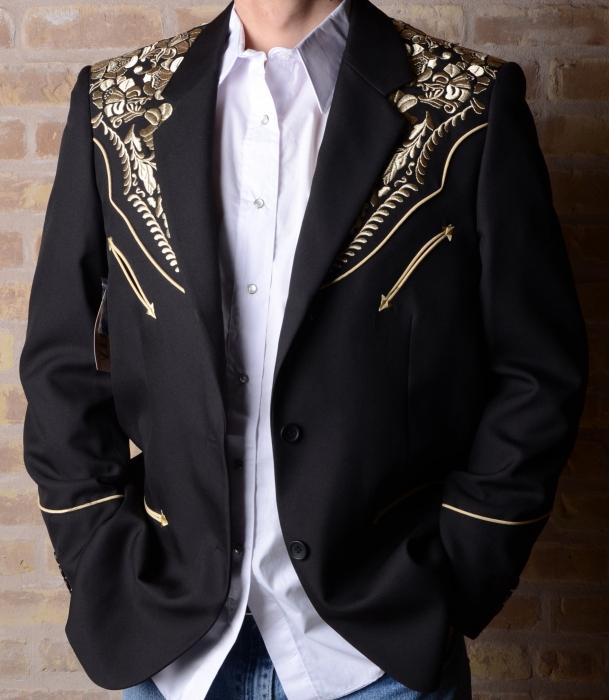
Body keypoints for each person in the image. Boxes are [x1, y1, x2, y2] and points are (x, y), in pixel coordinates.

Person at [19, 0, 589, 699]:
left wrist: (461, 569)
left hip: (377, 651)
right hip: (168, 647)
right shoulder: (115, 105)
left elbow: (535, 371)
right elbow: (62, 364)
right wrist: (96, 554)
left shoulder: (468, 104)